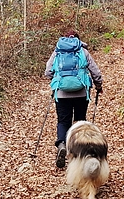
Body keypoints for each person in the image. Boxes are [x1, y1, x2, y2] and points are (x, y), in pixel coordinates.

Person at [44, 31, 103, 169]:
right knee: (80, 120)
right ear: (78, 40)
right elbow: (95, 72)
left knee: (63, 121)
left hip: (62, 93)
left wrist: (57, 80)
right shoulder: (82, 51)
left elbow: (48, 71)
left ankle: (62, 144)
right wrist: (98, 86)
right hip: (81, 92)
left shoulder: (58, 51)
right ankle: (79, 151)